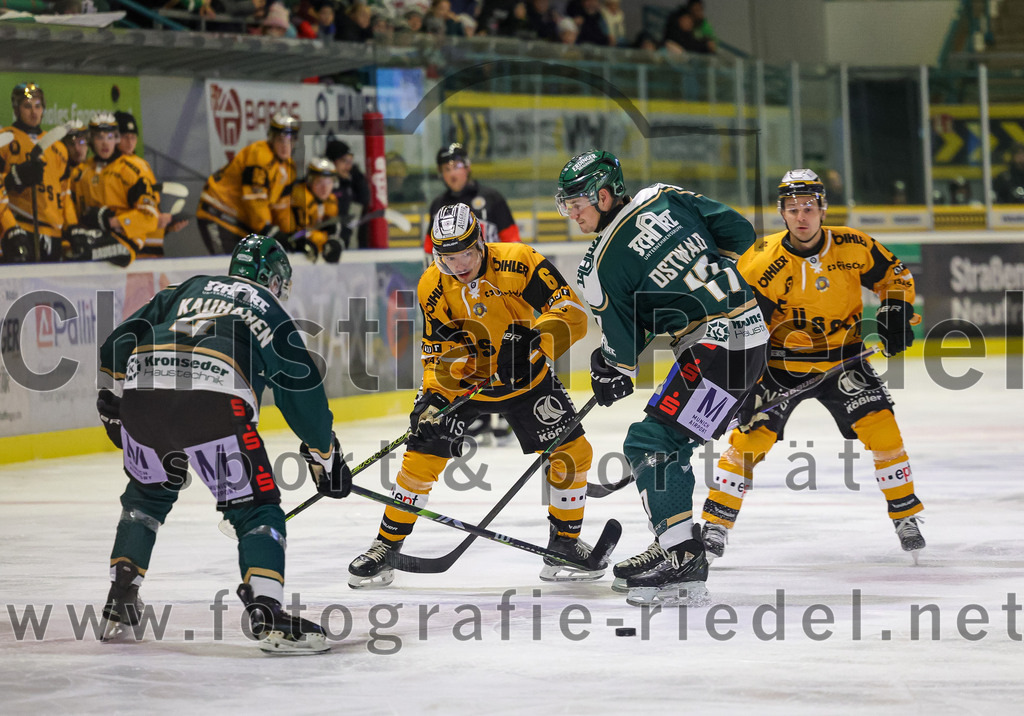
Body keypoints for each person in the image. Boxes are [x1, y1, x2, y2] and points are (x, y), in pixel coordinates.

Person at [96, 234, 353, 654]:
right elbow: (300, 391)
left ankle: (120, 598)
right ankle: (266, 612)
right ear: (274, 280)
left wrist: (111, 403)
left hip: (142, 394)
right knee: (256, 508)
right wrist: (325, 455)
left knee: (147, 494)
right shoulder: (269, 308)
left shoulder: (187, 288)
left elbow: (118, 342)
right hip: (214, 403)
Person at [556, 150, 768, 606]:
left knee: (649, 444)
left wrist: (608, 368)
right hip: (750, 338)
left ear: (606, 194)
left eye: (578, 203)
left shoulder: (598, 266)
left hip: (713, 348)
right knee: (675, 442)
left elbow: (623, 356)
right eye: (567, 204)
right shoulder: (664, 197)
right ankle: (673, 538)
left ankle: (684, 557)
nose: (572, 213)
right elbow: (740, 232)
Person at [347, 203, 597, 588]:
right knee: (420, 456)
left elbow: (572, 313)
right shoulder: (432, 285)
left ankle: (564, 543)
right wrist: (433, 398)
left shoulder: (520, 260)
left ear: (481, 240)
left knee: (572, 453)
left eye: (465, 252)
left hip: (528, 379)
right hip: (469, 384)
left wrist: (536, 339)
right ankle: (385, 546)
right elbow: (441, 352)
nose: (459, 264)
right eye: (448, 257)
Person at [700, 169, 925, 560]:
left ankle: (905, 514)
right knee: (749, 440)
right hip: (781, 365)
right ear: (781, 214)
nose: (801, 216)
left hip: (844, 359)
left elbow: (895, 275)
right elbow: (743, 327)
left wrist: (895, 307)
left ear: (823, 209)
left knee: (883, 431)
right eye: (792, 209)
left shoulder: (854, 245)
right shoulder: (760, 261)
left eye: (808, 207)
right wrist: (745, 385)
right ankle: (716, 523)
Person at [424, 142, 521, 445]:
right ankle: (475, 411)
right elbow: (430, 251)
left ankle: (508, 412)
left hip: (495, 287)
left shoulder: (491, 198)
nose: (452, 173)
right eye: (446, 168)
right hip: (458, 290)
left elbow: (512, 241)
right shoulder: (438, 205)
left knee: (508, 343)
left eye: (457, 165)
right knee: (469, 348)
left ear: (467, 166)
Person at [68, 113, 164, 264]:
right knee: (68, 251)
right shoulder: (80, 172)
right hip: (92, 236)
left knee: (83, 253)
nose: (105, 143)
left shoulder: (132, 169)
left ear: (116, 138)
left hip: (125, 241)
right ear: (91, 139)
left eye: (110, 137)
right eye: (100, 137)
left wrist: (110, 221)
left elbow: (150, 216)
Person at [197, 112, 299, 255]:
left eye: (290, 140)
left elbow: (282, 206)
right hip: (218, 213)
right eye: (280, 140)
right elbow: (255, 199)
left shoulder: (288, 168)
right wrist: (268, 230)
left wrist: (290, 234)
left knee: (249, 272)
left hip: (243, 223)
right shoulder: (259, 155)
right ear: (271, 138)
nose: (285, 146)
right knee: (229, 270)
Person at [0, 82, 74, 262]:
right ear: (16, 109)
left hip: (52, 232)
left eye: (38, 106)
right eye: (27, 106)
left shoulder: (57, 146)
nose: (34, 112)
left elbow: (64, 194)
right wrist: (13, 178)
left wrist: (72, 228)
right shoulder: (4, 140)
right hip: (19, 228)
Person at [289, 157, 343, 263]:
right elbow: (301, 233)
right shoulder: (301, 197)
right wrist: (326, 242)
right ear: (310, 180)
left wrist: (333, 240)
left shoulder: (330, 200)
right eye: (319, 182)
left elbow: (332, 228)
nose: (325, 188)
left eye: (329, 183)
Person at [325, 139, 371, 249]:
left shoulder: (349, 183)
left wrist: (357, 176)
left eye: (350, 161)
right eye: (343, 161)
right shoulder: (323, 185)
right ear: (331, 161)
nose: (348, 166)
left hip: (349, 244)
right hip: (327, 244)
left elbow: (365, 199)